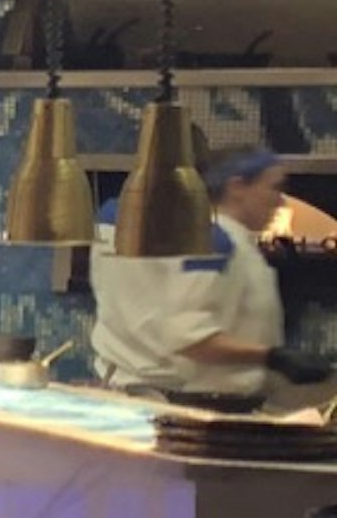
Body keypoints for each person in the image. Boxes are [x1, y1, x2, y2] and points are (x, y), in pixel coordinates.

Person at [90, 148, 317, 401]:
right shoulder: (214, 243)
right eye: (273, 188)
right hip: (189, 402)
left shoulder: (118, 222)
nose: (280, 201)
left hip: (136, 387)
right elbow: (189, 338)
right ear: (237, 187)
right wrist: (273, 357)